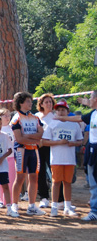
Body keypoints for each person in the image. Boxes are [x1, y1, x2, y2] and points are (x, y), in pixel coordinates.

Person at [55, 90, 97, 221]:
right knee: (93, 181)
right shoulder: (93, 113)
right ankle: (95, 211)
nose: (89, 99)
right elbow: (79, 118)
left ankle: (95, 210)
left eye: (90, 97)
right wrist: (63, 118)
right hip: (92, 150)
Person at [42, 100, 82, 217]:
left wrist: (73, 143)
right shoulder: (52, 124)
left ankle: (67, 206)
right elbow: (44, 141)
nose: (60, 112)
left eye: (63, 110)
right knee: (56, 182)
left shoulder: (74, 124)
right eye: (58, 110)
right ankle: (54, 207)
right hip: (57, 159)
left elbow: (80, 141)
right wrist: (59, 142)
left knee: (68, 182)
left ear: (67, 111)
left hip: (69, 159)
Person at [10, 91, 45, 216]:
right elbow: (19, 139)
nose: (31, 103)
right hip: (21, 150)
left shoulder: (35, 118)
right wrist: (35, 138)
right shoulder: (16, 118)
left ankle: (31, 206)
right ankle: (14, 205)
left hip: (33, 150)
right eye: (28, 101)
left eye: (31, 101)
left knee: (34, 177)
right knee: (20, 177)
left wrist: (29, 136)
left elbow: (41, 134)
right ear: (20, 103)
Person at [35, 93, 55, 208]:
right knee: (40, 172)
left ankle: (58, 199)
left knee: (54, 173)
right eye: (46, 102)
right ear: (41, 104)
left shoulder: (55, 116)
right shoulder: (36, 116)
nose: (49, 104)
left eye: (50, 102)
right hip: (38, 147)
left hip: (52, 146)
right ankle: (44, 197)